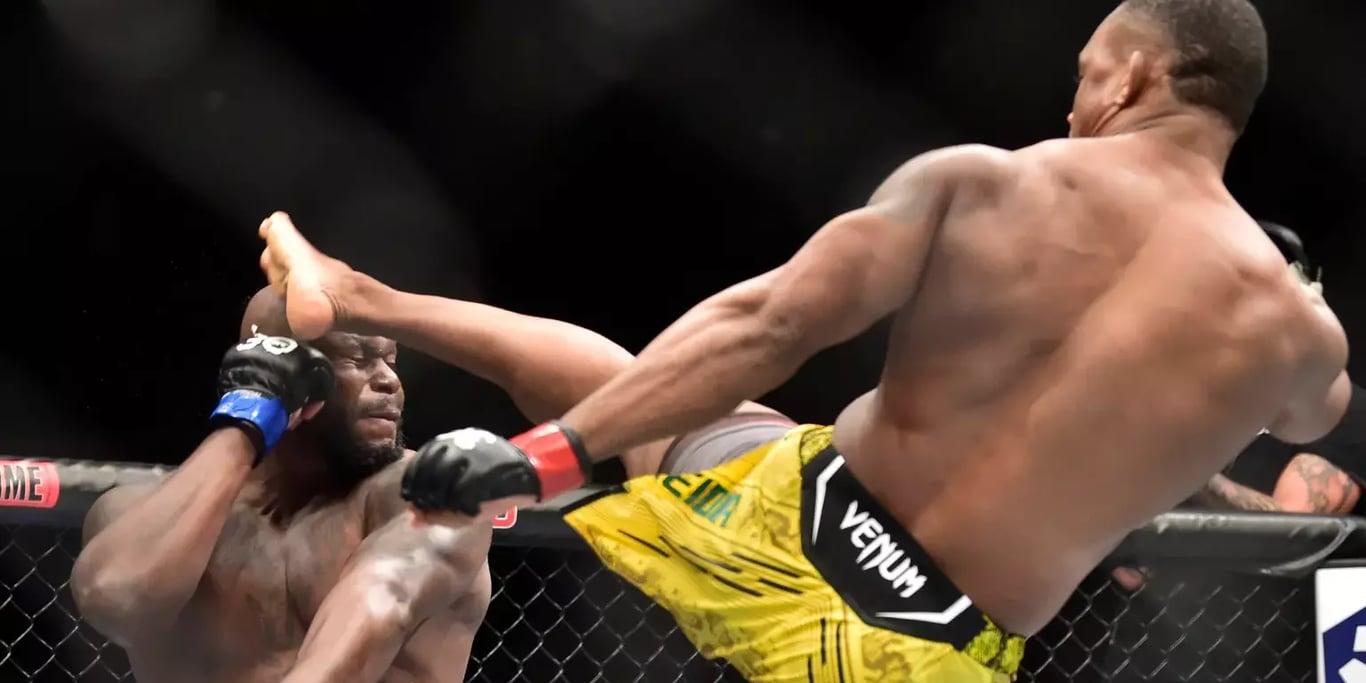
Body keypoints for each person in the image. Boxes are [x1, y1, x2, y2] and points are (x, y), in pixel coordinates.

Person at [398, 1, 1351, 680]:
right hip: (927, 647)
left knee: (657, 399)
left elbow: (766, 322)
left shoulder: (986, 180)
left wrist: (545, 458)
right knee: (721, 422)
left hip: (794, 520)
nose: (1073, 106)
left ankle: (375, 301)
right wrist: (1289, 286)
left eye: (1087, 75)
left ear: (1137, 75)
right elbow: (1316, 412)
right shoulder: (1292, 327)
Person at [70, 211, 783, 683]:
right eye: (359, 360)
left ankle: (363, 300)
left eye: (393, 361)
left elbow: (380, 602)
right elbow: (118, 596)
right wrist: (245, 424)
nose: (388, 381)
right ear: (289, 376)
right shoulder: (145, 514)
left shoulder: (425, 492)